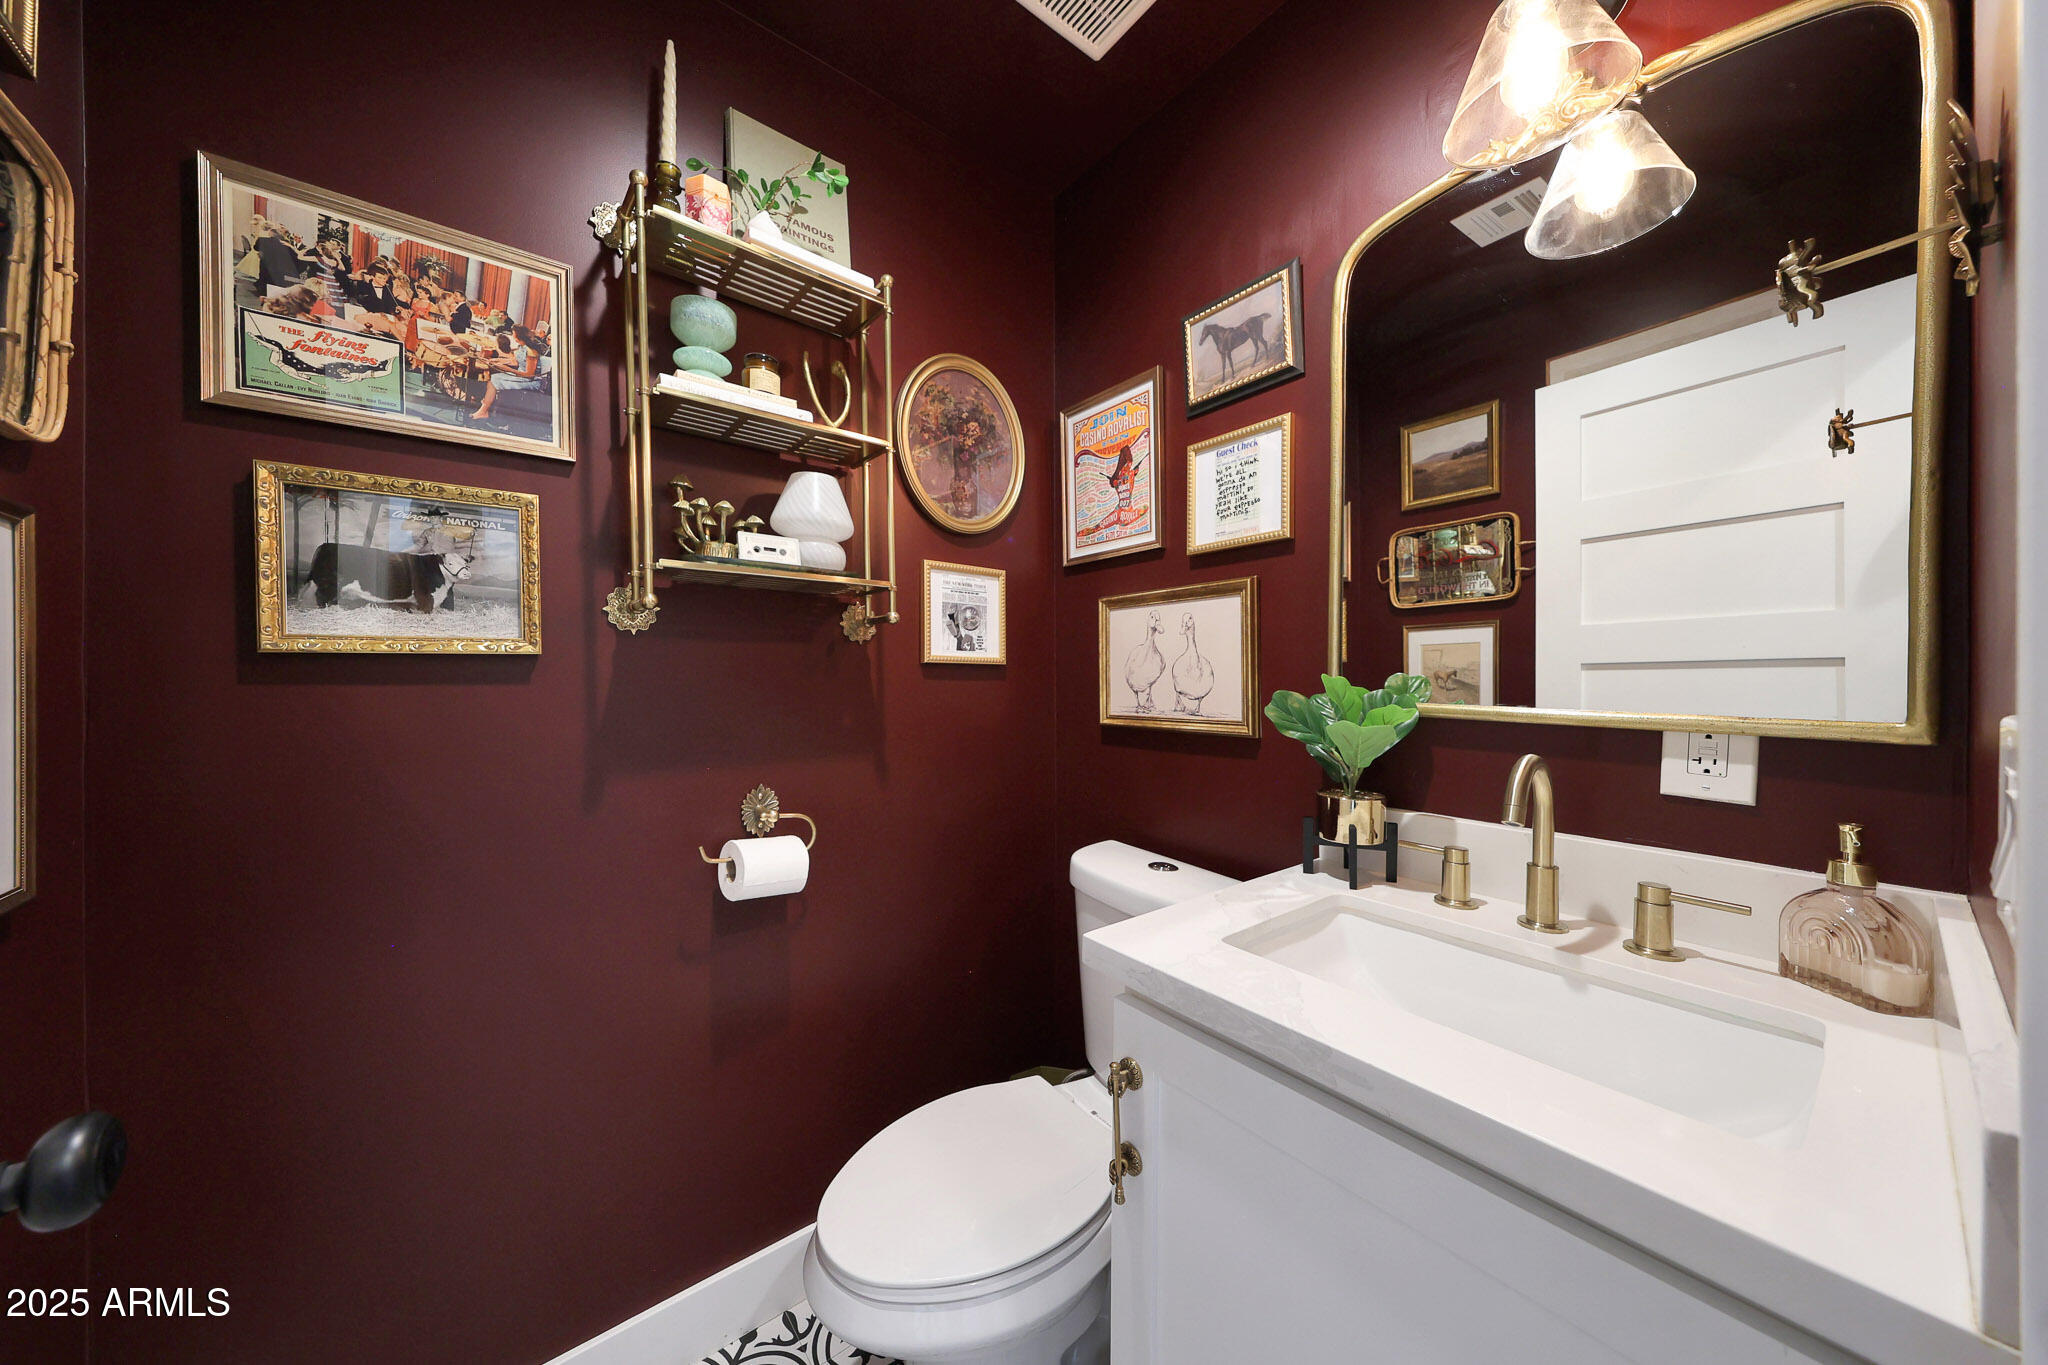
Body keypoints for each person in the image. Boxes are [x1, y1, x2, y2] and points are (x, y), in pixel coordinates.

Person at [471, 326, 551, 422]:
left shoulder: (531, 351)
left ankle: (484, 411)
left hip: (531, 381)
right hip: (521, 376)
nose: (513, 336)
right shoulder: (522, 347)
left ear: (519, 336)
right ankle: (484, 410)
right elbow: (516, 362)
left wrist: (507, 369)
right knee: (493, 378)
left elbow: (529, 375)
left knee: (494, 380)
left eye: (514, 334)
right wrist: (498, 360)